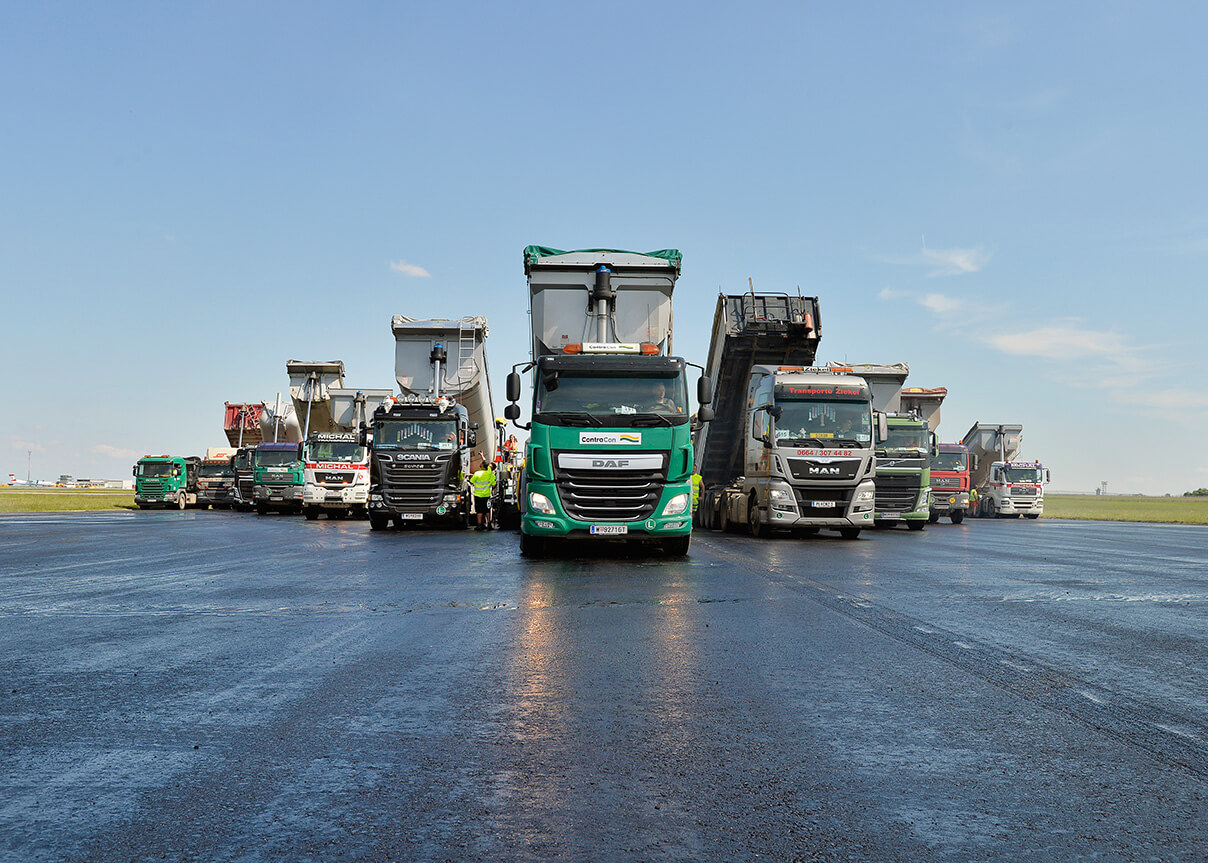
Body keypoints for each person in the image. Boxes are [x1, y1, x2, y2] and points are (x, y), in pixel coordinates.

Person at [469, 455, 496, 530]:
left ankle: (480, 525)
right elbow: (494, 484)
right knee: (487, 510)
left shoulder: (477, 473)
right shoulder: (489, 473)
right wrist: (482, 456)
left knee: (479, 511)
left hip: (478, 495)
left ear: (481, 466)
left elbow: (471, 482)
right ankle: (489, 524)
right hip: (487, 494)